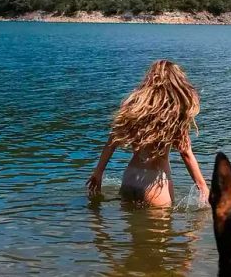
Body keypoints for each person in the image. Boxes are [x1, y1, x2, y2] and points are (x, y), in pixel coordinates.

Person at [86, 60, 209, 207]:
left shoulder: (135, 108)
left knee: (133, 228)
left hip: (130, 178)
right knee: (161, 228)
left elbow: (111, 143)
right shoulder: (173, 114)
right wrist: (202, 185)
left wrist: (98, 173)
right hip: (155, 183)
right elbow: (186, 153)